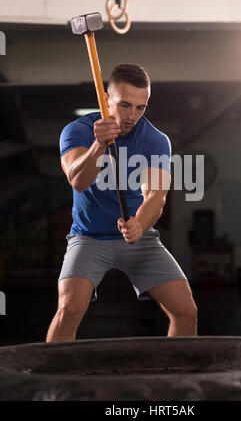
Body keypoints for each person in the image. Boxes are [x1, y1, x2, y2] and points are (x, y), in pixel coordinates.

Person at [46, 63, 198, 342]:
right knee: (67, 310)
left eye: (141, 108)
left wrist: (139, 224)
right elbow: (78, 180)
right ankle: (47, 385)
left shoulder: (155, 140)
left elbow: (156, 195)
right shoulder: (77, 130)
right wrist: (99, 145)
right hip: (89, 237)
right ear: (106, 99)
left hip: (138, 238)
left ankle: (175, 378)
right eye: (125, 105)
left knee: (186, 312)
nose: (132, 116)